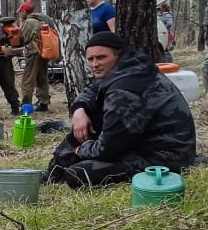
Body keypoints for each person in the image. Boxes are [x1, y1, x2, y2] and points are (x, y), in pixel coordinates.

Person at [44, 32, 196, 189]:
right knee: (87, 119)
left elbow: (108, 149)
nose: (95, 64)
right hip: (144, 143)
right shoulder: (129, 68)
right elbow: (93, 89)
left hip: (165, 157)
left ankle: (57, 172)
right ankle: (53, 173)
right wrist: (79, 110)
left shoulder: (126, 88)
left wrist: (82, 150)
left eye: (101, 57)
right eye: (91, 59)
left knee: (78, 173)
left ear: (118, 55)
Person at [15, 1, 50, 112]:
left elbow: (23, 39)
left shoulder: (29, 22)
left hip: (33, 53)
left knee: (28, 79)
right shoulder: (41, 19)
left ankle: (26, 105)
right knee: (41, 78)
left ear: (24, 11)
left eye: (21, 12)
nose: (20, 14)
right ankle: (44, 102)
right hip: (43, 52)